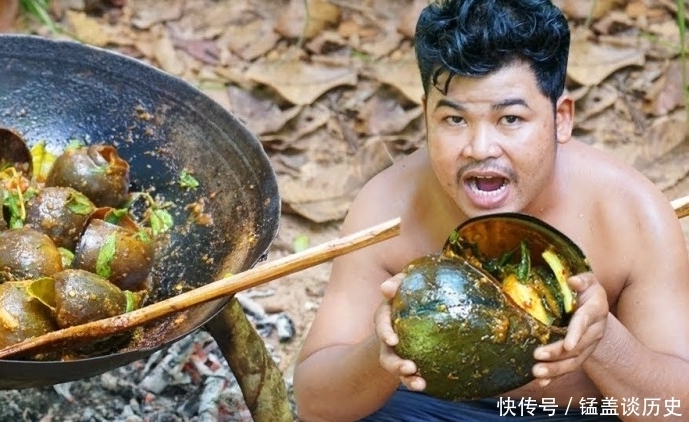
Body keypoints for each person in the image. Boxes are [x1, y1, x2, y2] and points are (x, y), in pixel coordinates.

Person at [292, 0, 689, 421]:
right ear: (426, 114)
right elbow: (317, 406)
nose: (480, 149)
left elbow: (679, 408)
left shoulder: (630, 215)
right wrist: (381, 350)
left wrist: (602, 340)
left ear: (561, 118)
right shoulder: (386, 212)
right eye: (454, 120)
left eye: (511, 119)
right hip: (436, 407)